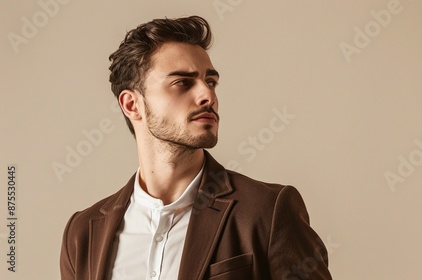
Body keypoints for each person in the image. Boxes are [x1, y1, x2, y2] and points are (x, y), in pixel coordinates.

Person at [60, 15, 332, 280]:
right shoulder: (82, 232)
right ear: (132, 105)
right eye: (183, 82)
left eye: (210, 81)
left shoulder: (267, 211)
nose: (208, 95)